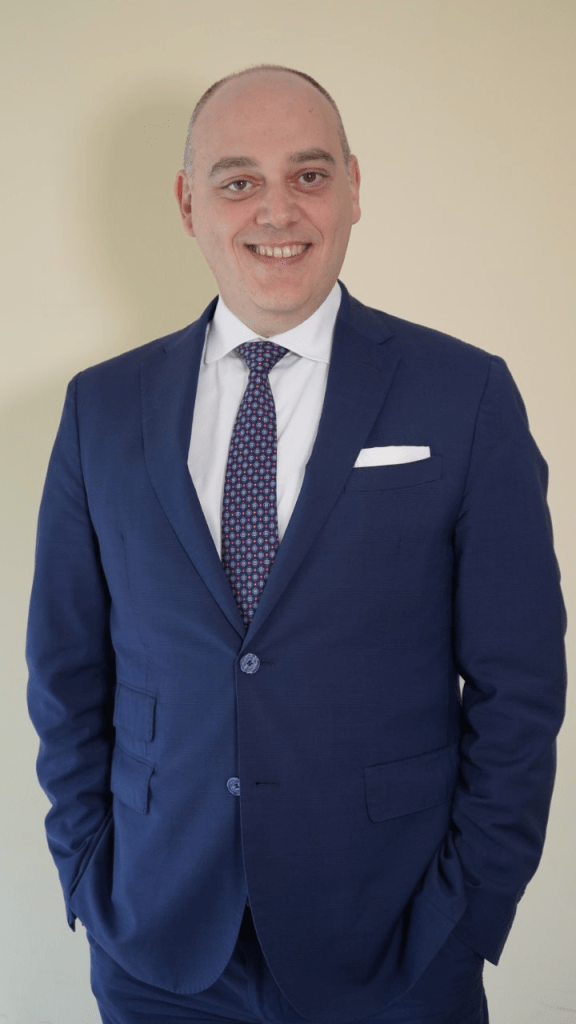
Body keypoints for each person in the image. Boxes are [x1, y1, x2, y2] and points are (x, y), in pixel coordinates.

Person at [26, 63, 567, 1024]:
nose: (277, 210)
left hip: (395, 951)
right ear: (189, 203)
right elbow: (66, 676)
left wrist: (469, 914)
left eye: (309, 175)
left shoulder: (465, 394)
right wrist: (88, 874)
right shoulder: (100, 409)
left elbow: (520, 686)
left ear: (353, 187)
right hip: (159, 953)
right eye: (238, 181)